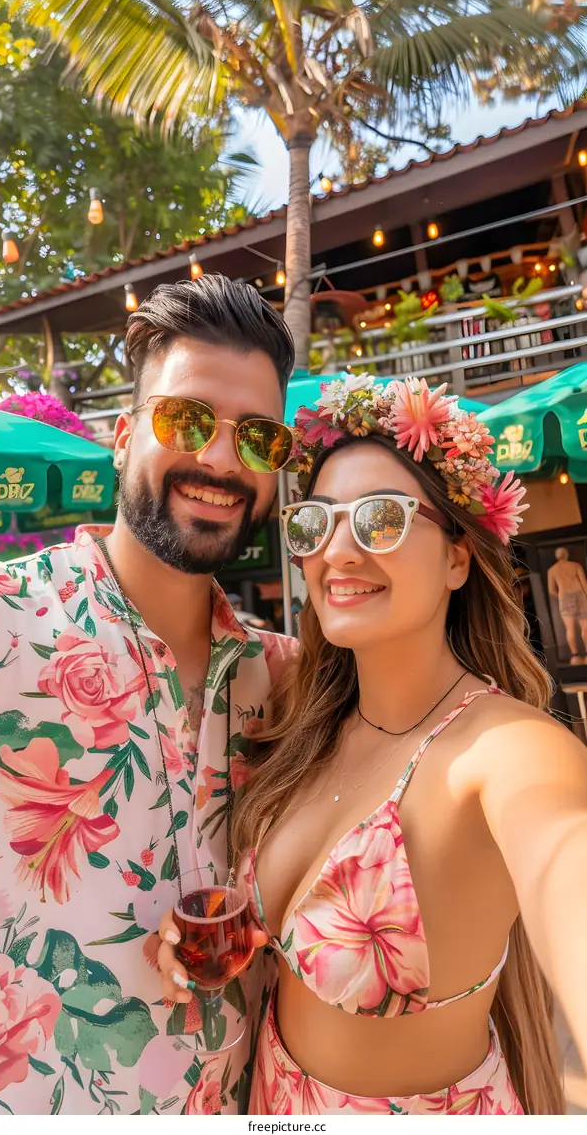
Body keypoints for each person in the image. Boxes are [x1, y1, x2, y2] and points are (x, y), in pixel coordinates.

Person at [158, 374, 587, 1115]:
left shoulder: (507, 752)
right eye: (316, 522)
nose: (339, 551)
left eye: (382, 519)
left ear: (458, 558)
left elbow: (564, 857)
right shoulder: (303, 720)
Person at [0, 274, 297, 1116]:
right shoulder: (4, 618)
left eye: (259, 438)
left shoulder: (293, 681)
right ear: (123, 436)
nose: (224, 460)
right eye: (188, 420)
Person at [547, 546, 587, 664]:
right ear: (567, 555)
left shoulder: (552, 570)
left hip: (565, 598)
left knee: (570, 628)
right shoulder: (576, 566)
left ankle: (575, 656)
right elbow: (584, 583)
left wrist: (561, 596)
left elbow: (551, 590)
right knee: (585, 626)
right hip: (580, 596)